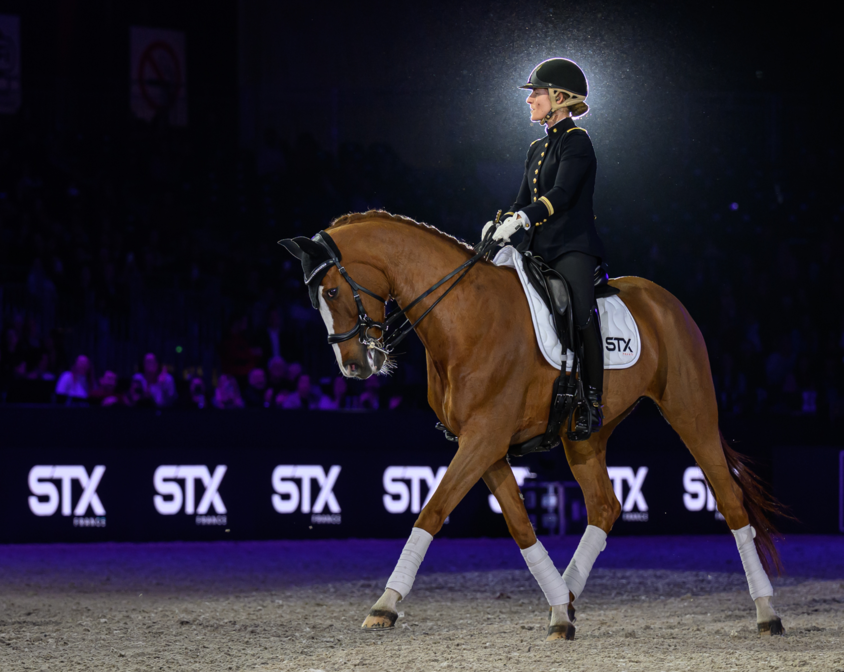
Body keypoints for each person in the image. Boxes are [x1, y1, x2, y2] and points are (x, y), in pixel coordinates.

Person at [485, 58, 605, 437]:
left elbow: (562, 194)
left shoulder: (577, 141)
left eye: (536, 92)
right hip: (536, 248)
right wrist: (503, 222)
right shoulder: (537, 148)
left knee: (581, 312)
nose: (529, 99)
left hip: (571, 246)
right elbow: (522, 200)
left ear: (559, 97)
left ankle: (592, 401)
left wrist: (523, 219)